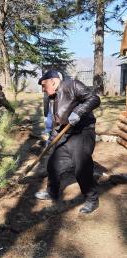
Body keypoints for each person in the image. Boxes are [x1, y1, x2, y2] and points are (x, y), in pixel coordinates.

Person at [35, 70, 101, 214]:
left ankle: (92, 199)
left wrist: (78, 112)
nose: (43, 90)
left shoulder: (72, 85)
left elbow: (94, 99)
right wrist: (51, 142)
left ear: (53, 81)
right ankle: (52, 192)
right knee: (53, 164)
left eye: (44, 86)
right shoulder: (53, 99)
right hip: (66, 134)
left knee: (81, 167)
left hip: (82, 132)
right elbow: (57, 125)